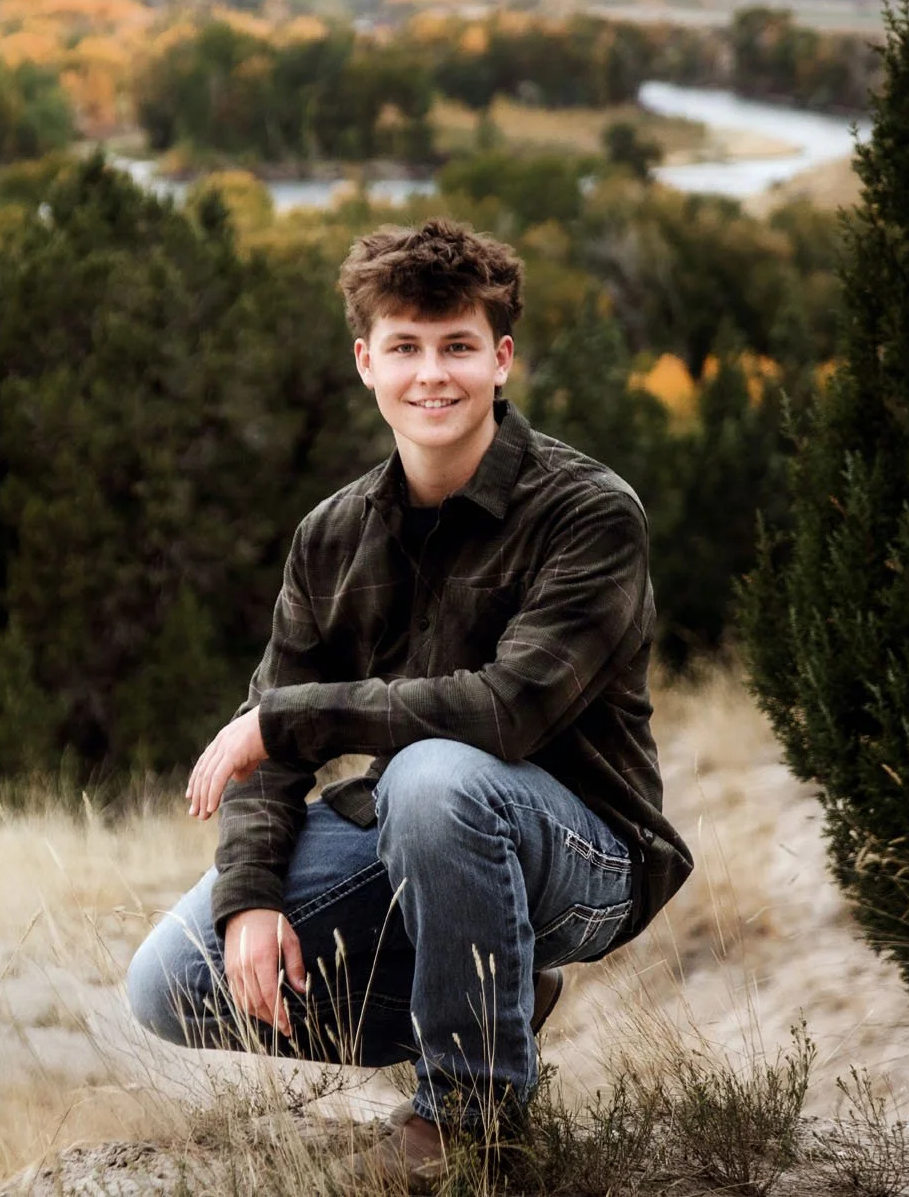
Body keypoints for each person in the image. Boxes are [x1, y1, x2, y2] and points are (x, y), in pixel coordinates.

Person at [123, 216, 694, 1190]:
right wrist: (253, 895)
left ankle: (470, 1115)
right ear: (365, 361)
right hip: (420, 835)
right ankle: (500, 987)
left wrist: (291, 717)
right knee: (172, 982)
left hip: (590, 846)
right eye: (406, 348)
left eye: (459, 346)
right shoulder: (333, 533)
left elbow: (507, 710)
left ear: (501, 357)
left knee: (435, 776)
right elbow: (276, 744)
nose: (433, 374)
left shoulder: (589, 510)